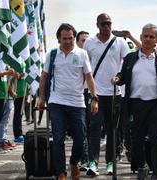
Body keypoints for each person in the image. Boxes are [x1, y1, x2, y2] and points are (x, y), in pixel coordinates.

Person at [112, 23, 157, 180]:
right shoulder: (130, 58)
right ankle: (142, 167)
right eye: (145, 36)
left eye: (151, 37)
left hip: (156, 106)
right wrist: (117, 79)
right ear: (140, 38)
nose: (147, 39)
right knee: (136, 141)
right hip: (136, 105)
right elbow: (123, 76)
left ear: (156, 40)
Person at [38, 23, 98, 180]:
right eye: (64, 38)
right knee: (58, 138)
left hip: (77, 103)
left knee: (80, 139)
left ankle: (73, 163)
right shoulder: (52, 54)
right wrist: (41, 98)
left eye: (71, 38)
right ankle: (61, 172)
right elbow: (44, 77)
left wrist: (94, 98)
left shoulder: (82, 53)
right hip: (56, 102)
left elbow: (89, 77)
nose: (68, 41)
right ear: (59, 38)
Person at [83, 13, 129, 176]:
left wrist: (120, 77)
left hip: (115, 94)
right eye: (103, 24)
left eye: (108, 23)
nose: (106, 27)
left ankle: (110, 162)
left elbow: (128, 62)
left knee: (112, 130)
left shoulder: (120, 42)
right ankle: (93, 162)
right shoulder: (89, 43)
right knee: (94, 127)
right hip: (95, 93)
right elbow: (84, 68)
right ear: (97, 25)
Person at [76, 30, 91, 170]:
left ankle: (90, 159)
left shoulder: (91, 55)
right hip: (78, 96)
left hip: (92, 94)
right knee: (82, 129)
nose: (86, 43)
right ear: (77, 42)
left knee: (91, 128)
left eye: (88, 40)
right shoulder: (74, 56)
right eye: (83, 41)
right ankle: (84, 159)